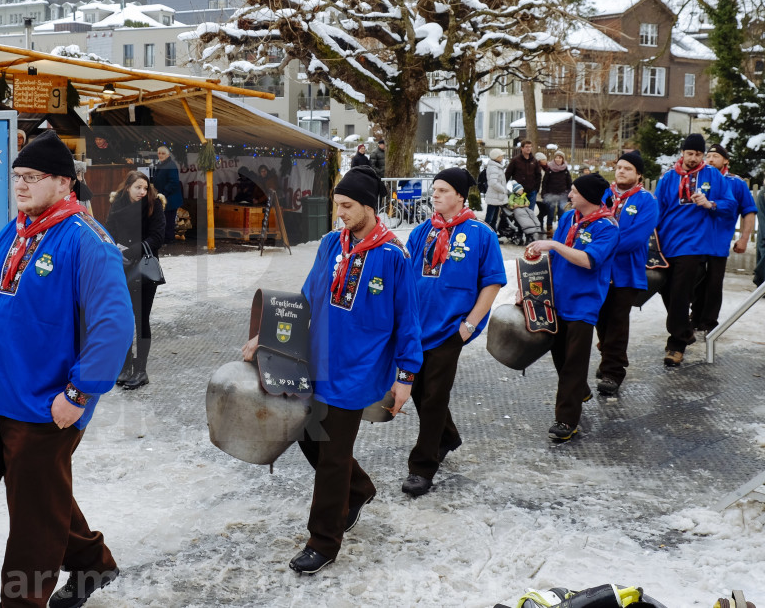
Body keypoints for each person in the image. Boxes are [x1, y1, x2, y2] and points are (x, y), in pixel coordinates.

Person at [241, 165, 421, 575]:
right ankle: (358, 490)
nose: (339, 212)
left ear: (369, 207)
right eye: (337, 204)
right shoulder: (329, 245)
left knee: (332, 457)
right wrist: (268, 337)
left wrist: (406, 376)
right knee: (308, 438)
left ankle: (323, 542)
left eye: (346, 205)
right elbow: (305, 299)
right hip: (315, 362)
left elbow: (408, 321)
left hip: (358, 372)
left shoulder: (394, 256)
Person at [0, 130, 133, 608]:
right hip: (10, 394)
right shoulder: (17, 230)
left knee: (31, 521)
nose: (20, 186)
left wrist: (79, 394)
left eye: (32, 177)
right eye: (17, 177)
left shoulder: (87, 240)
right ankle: (93, 564)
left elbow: (114, 327)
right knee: (41, 496)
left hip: (50, 402)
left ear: (64, 182)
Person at [403, 168, 505, 496]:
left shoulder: (480, 234)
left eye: (444, 190)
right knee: (418, 389)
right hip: (417, 327)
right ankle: (447, 436)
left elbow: (491, 282)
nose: (435, 195)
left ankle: (423, 466)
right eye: (434, 189)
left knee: (434, 396)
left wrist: (469, 325)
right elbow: (405, 278)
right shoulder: (422, 232)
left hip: (450, 330)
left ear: (460, 195)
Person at [526, 174, 619, 442]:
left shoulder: (608, 227)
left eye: (575, 191)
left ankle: (566, 420)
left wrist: (553, 243)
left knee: (573, 363)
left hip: (584, 302)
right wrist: (537, 267)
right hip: (557, 298)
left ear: (589, 196)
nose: (570, 195)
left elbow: (589, 260)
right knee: (559, 356)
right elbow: (556, 257)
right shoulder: (569, 218)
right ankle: (579, 389)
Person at [653, 133, 734, 366]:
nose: (694, 158)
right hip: (668, 242)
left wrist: (710, 204)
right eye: (690, 153)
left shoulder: (713, 176)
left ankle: (675, 346)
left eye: (698, 154)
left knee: (680, 291)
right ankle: (685, 330)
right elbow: (657, 210)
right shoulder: (668, 178)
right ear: (682, 153)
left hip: (694, 243)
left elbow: (730, 204)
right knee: (666, 289)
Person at [594, 151, 658, 396]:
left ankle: (613, 371)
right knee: (600, 319)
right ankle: (610, 357)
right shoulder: (603, 195)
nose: (621, 171)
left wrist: (600, 248)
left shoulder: (646, 201)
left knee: (617, 321)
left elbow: (636, 237)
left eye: (628, 168)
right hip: (599, 270)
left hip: (626, 272)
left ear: (639, 174)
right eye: (619, 167)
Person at [105, 171, 165, 390]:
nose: (142, 192)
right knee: (123, 318)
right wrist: (114, 249)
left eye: (145, 188)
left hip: (143, 270)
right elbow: (108, 231)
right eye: (137, 187)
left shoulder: (153, 205)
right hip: (120, 268)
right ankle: (126, 364)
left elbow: (158, 237)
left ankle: (141, 369)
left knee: (141, 319)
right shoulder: (117, 204)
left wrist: (131, 251)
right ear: (128, 187)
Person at [690, 143, 757, 338]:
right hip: (696, 241)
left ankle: (709, 321)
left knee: (713, 283)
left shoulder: (736, 183)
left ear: (726, 160)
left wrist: (744, 239)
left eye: (715, 156)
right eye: (708, 156)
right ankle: (695, 316)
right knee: (695, 281)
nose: (710, 160)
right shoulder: (699, 178)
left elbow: (749, 212)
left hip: (719, 242)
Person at [152, 146, 182, 244]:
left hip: (170, 198)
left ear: (168, 155)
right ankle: (165, 239)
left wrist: (163, 194)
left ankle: (169, 240)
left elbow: (173, 182)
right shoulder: (162, 164)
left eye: (163, 153)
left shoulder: (170, 165)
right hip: (165, 197)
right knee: (164, 219)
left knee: (168, 220)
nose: (160, 155)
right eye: (159, 153)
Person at [539, 151, 572, 235]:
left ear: (563, 159)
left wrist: (569, 194)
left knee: (561, 212)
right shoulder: (549, 169)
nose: (558, 159)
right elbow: (545, 182)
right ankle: (549, 229)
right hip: (551, 194)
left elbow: (569, 183)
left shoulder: (565, 170)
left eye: (560, 158)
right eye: (556, 157)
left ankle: (560, 229)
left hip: (562, 194)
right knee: (551, 212)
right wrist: (544, 192)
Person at [506, 139, 542, 210]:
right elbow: (507, 174)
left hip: (531, 191)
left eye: (530, 147)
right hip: (519, 192)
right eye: (526, 147)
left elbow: (538, 175)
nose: (528, 148)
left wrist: (536, 189)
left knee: (530, 212)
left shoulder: (534, 161)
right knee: (519, 213)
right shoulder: (515, 160)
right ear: (522, 148)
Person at [483, 148, 508, 229]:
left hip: (496, 197)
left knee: (494, 219)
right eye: (501, 156)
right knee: (489, 219)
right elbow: (493, 183)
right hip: (494, 196)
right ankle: (486, 236)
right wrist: (503, 190)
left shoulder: (497, 167)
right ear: (496, 157)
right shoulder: (494, 168)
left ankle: (493, 236)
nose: (502, 157)